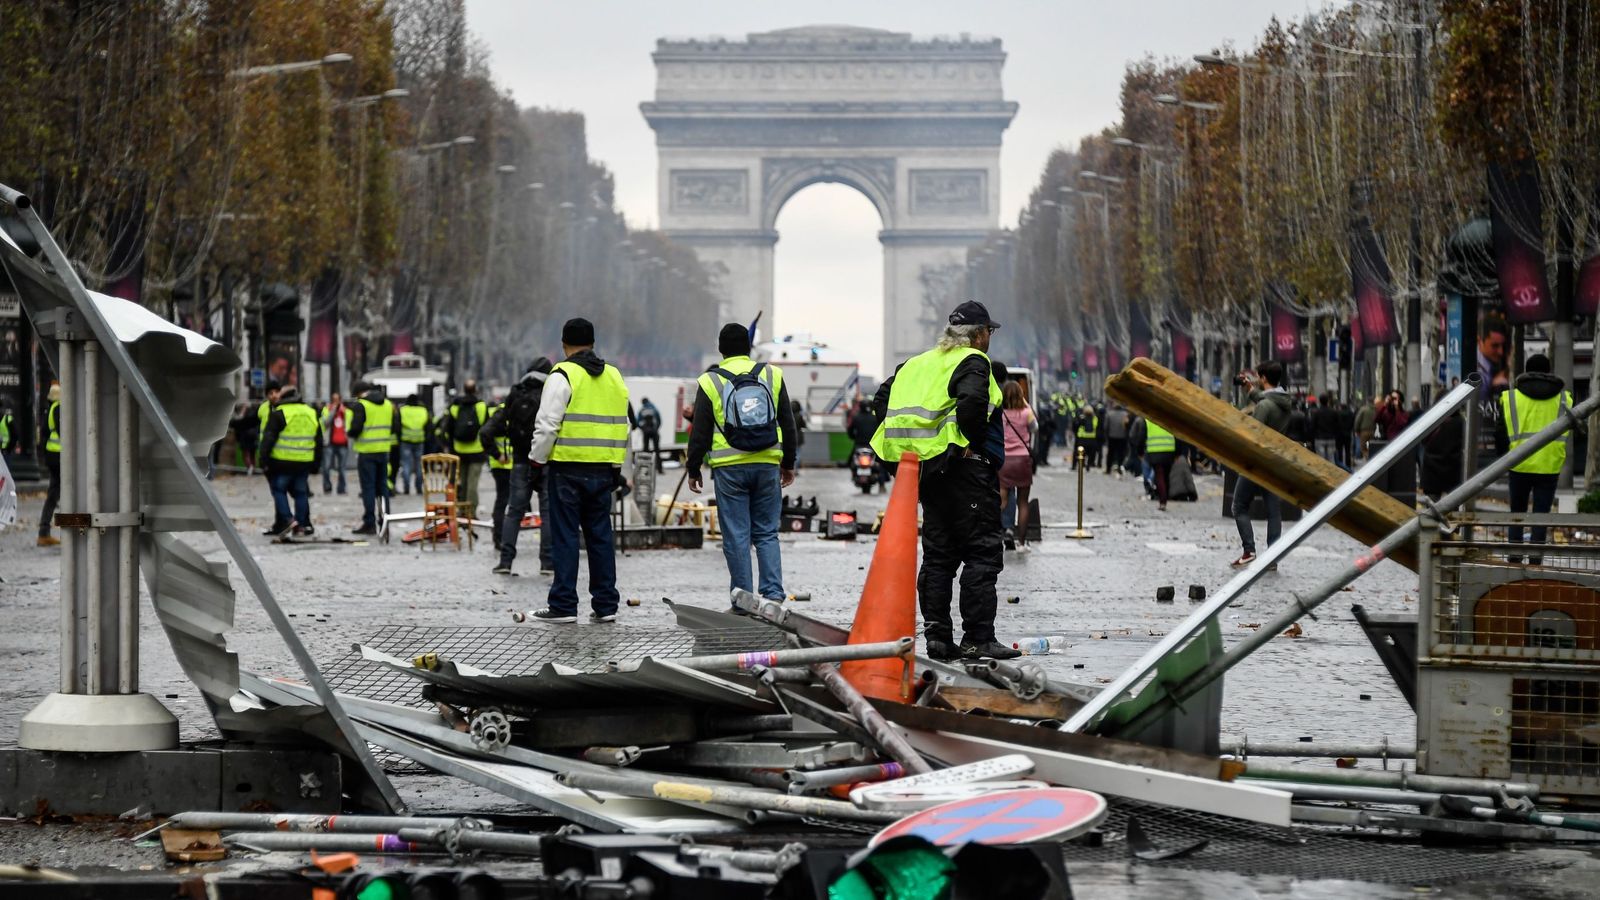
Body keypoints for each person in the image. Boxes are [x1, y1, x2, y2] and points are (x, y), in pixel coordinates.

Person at [871, 300, 1016, 662]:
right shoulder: (974, 360)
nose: (989, 338)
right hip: (967, 472)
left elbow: (881, 400)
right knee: (982, 553)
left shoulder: (916, 364)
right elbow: (972, 402)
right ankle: (978, 639)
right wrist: (969, 442)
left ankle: (937, 638)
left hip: (929, 473)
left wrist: (919, 446)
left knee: (939, 557)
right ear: (979, 334)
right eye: (989, 332)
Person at [686, 323, 798, 607]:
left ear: (721, 349)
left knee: (736, 535)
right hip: (767, 463)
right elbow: (788, 422)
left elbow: (700, 431)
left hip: (729, 468)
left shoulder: (709, 381)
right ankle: (773, 595)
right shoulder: (772, 374)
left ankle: (743, 599)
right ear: (748, 347)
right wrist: (788, 463)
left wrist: (693, 468)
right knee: (767, 532)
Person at [527, 317, 629, 624]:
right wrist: (616, 466)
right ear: (593, 343)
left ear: (564, 344)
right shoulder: (614, 376)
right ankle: (606, 605)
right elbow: (623, 426)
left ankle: (563, 605)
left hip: (567, 469)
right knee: (600, 538)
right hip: (603, 470)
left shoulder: (562, 374)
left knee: (566, 537)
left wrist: (536, 461)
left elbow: (547, 425)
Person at [1496, 354, 1573, 563]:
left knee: (1517, 513)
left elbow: (1500, 433)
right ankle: (1536, 560)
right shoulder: (1564, 399)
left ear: (1526, 371)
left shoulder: (1511, 398)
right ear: (1549, 372)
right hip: (1549, 465)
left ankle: (1514, 557)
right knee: (1541, 515)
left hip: (1518, 464)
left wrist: (1503, 458)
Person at [487, 358, 554, 576]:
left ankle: (505, 561)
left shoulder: (516, 393)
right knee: (548, 513)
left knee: (514, 512)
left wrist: (498, 454)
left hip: (520, 461)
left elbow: (487, 431)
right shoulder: (551, 392)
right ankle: (547, 563)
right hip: (546, 460)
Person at [1231, 360, 1292, 568]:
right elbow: (1267, 400)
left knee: (1239, 506)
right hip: (1274, 462)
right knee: (1273, 510)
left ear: (1264, 378)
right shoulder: (1284, 402)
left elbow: (1253, 434)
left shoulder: (1264, 406)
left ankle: (1249, 550)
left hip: (1256, 463)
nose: (1256, 379)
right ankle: (1272, 557)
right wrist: (1250, 389)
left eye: (1258, 376)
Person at [260, 385, 323, 537]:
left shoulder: (279, 413)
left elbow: (268, 439)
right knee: (301, 492)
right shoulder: (311, 412)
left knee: (278, 489)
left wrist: (263, 460)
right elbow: (319, 440)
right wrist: (316, 464)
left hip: (282, 460)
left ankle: (288, 519)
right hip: (304, 460)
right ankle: (300, 525)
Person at [346, 381, 398, 535]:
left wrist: (350, 432)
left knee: (368, 488)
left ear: (358, 393)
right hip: (384, 451)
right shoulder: (387, 404)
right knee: (383, 487)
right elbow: (395, 427)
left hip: (366, 452)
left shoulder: (361, 405)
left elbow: (355, 428)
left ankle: (369, 523)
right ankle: (385, 520)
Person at [438, 380, 489, 518]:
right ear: (475, 390)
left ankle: (461, 510)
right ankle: (470, 513)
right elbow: (486, 429)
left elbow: (447, 429)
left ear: (464, 390)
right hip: (477, 451)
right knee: (472, 484)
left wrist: (449, 447)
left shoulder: (455, 407)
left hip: (459, 451)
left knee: (462, 483)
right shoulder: (481, 407)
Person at [997, 381, 1036, 550]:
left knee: (1001, 501)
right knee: (1023, 503)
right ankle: (1021, 542)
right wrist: (1026, 404)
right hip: (1022, 460)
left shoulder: (1001, 414)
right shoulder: (1026, 412)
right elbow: (1035, 428)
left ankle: (995, 535)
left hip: (1005, 460)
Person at [1135, 414, 1178, 512]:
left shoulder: (1148, 420)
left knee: (1159, 476)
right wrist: (1178, 452)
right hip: (1169, 451)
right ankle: (1164, 497)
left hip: (1155, 451)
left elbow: (1142, 436)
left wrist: (1139, 451)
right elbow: (1178, 436)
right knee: (1166, 476)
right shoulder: (1170, 418)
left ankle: (1163, 500)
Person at [37, 383, 61, 547]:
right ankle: (74, 527)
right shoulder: (58, 408)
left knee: (53, 495)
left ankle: (44, 532)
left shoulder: (49, 410)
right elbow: (63, 431)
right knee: (65, 492)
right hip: (60, 456)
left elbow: (45, 433)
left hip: (51, 456)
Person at [397, 394, 431, 494]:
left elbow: (398, 426)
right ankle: (418, 487)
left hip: (406, 440)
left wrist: (399, 438)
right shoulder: (423, 410)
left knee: (406, 464)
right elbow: (429, 426)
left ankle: (406, 487)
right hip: (419, 440)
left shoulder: (403, 410)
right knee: (419, 465)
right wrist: (426, 437)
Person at [321, 391, 350, 495]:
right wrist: (333, 411)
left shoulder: (346, 411)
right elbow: (325, 423)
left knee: (342, 468)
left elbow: (350, 426)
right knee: (326, 467)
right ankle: (327, 487)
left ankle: (341, 488)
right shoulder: (326, 409)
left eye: (337, 400)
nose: (336, 402)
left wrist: (343, 412)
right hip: (329, 443)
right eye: (334, 400)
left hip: (343, 443)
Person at [1478, 314, 1510, 401]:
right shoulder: (1479, 375)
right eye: (1495, 346)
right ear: (1480, 342)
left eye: (1503, 346)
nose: (1500, 352)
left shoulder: (1490, 366)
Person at [1312, 393, 1342, 465]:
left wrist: (1313, 437)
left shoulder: (1316, 412)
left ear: (1319, 401)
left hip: (1319, 438)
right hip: (1331, 438)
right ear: (1328, 401)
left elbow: (1313, 426)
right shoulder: (1333, 412)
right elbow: (1338, 426)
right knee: (1331, 459)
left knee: (1320, 459)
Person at [637, 397, 663, 472]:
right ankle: (660, 469)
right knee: (657, 450)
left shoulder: (642, 410)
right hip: (654, 432)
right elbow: (659, 420)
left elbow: (638, 421)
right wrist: (656, 429)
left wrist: (643, 429)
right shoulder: (654, 408)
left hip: (646, 433)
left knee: (646, 451)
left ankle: (646, 469)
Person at [1072, 401, 1100, 470]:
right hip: (1092, 438)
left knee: (1080, 453)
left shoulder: (1081, 418)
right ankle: (1088, 464)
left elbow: (1076, 426)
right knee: (1091, 454)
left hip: (1082, 438)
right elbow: (1097, 428)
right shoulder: (1095, 419)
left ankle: (1079, 464)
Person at [1103, 403, 1128, 477]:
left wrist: (1106, 436)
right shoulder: (1125, 414)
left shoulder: (1109, 414)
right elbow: (1127, 425)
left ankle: (1108, 469)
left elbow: (1106, 426)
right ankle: (1119, 467)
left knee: (1110, 453)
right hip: (1122, 436)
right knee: (1121, 454)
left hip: (1112, 436)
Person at [1352, 395, 1377, 462]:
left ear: (1367, 401)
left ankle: (1368, 458)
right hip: (1373, 431)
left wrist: (1356, 429)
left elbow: (1358, 420)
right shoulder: (1376, 409)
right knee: (1371, 446)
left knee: (1363, 447)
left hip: (1364, 431)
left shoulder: (1363, 409)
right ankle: (1371, 458)